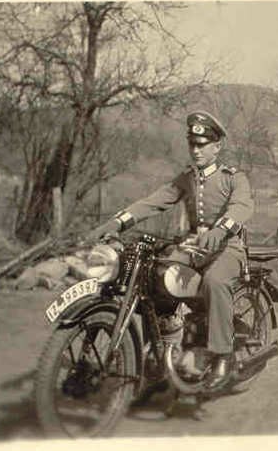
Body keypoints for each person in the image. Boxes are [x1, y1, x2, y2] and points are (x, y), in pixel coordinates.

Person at [88, 110, 254, 389]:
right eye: (192, 144)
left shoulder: (233, 178)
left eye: (202, 145)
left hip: (227, 249)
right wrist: (117, 222)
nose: (196, 150)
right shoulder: (187, 178)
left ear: (217, 146)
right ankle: (165, 344)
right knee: (155, 275)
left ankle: (223, 355)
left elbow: (241, 207)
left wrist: (220, 230)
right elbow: (153, 202)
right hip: (193, 248)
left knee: (214, 282)